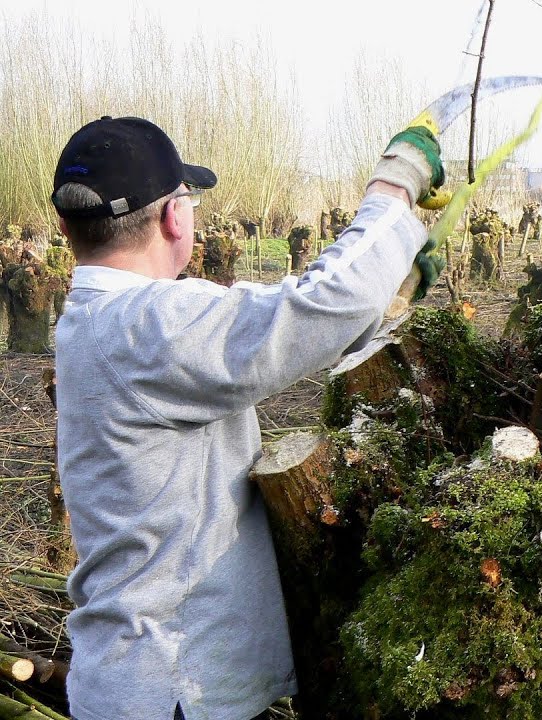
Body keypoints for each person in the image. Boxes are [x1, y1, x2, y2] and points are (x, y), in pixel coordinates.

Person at [51, 113, 444, 720]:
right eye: (188, 198)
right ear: (172, 216)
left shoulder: (95, 323)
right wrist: (395, 187)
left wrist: (389, 287)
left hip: (147, 684)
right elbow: (319, 305)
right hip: (176, 692)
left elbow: (291, 337)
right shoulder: (146, 326)